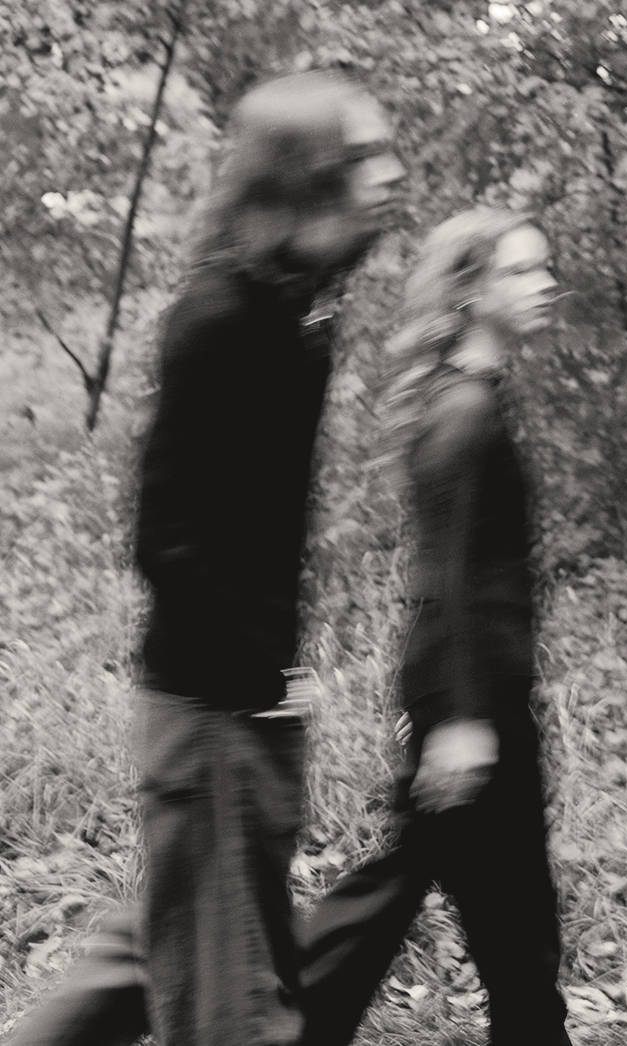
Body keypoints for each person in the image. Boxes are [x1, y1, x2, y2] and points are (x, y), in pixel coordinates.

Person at [5, 71, 404, 1046]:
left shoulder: (300, 314)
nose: (391, 175)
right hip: (214, 709)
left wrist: (282, 668)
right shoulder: (220, 318)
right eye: (364, 157)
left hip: (248, 706)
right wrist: (261, 672)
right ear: (298, 179)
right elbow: (167, 535)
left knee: (182, 939)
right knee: (232, 1003)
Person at [299, 207, 574, 1046]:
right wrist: (458, 720)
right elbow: (444, 578)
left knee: (473, 898)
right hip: (467, 700)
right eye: (521, 272)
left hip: (474, 693)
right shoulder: (463, 414)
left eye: (543, 268)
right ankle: (276, 1018)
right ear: (469, 292)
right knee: (473, 901)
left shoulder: (472, 398)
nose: (543, 285)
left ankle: (283, 1018)